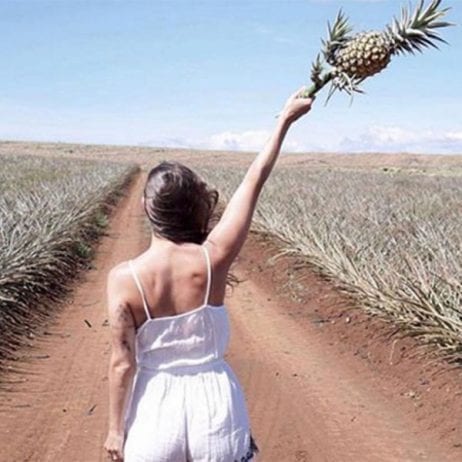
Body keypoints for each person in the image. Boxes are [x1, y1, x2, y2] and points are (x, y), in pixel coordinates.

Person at [103, 87, 314, 462]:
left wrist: (115, 431)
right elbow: (254, 180)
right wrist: (283, 120)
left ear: (146, 208)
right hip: (215, 408)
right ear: (194, 208)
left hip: (155, 410)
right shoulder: (212, 258)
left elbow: (122, 362)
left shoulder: (123, 279)